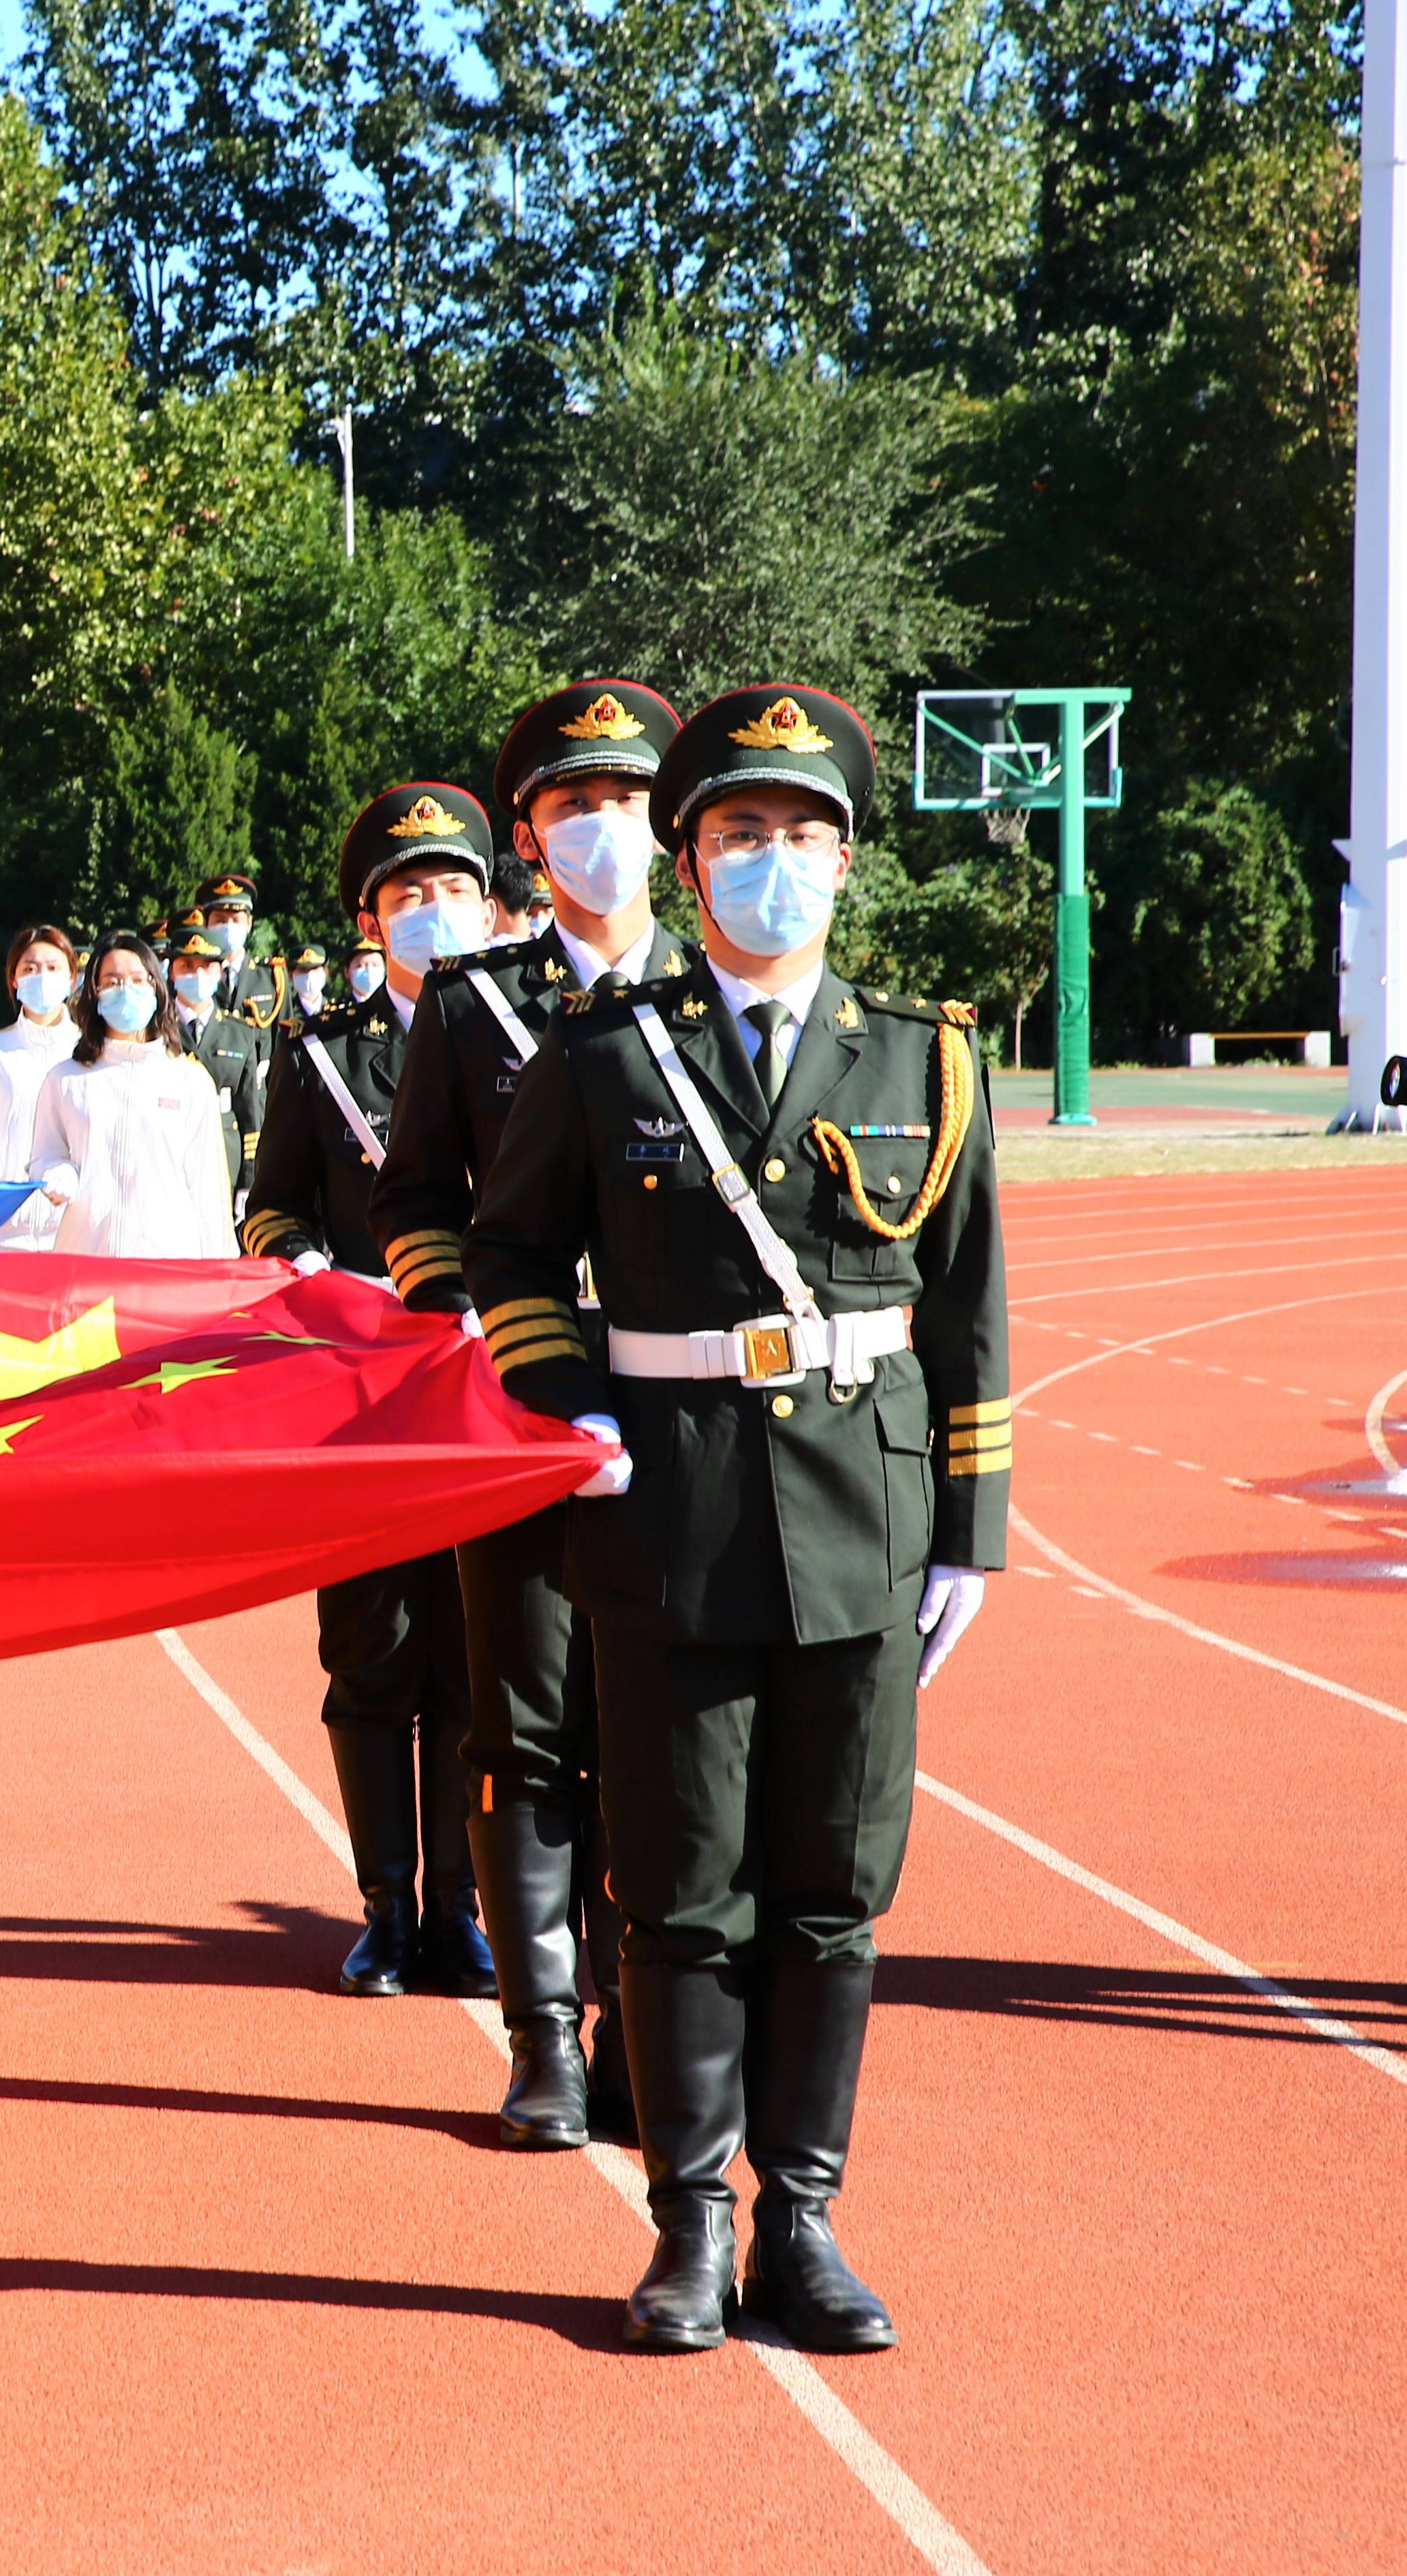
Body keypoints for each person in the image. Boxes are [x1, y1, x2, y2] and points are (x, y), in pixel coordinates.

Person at [465, 686, 1004, 2357]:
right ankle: (686, 2223)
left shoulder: (925, 1056)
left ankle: (803, 2217)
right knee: (683, 1885)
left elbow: (967, 1308)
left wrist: (967, 1531)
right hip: (670, 1519)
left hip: (861, 1519)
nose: (765, 864)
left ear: (843, 863)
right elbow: (503, 1256)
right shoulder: (610, 1050)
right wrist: (572, 1405)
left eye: (796, 835)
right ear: (684, 860)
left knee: (830, 1891)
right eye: (732, 835)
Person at [370, 680, 696, 2151]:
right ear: (531, 837)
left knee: (660, 1737)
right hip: (521, 1417)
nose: (604, 832)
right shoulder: (470, 1006)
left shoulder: (724, 991)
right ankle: (542, 2042)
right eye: (576, 808)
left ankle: (640, 2026)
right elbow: (419, 1206)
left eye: (627, 804)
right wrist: (507, 1342)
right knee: (526, 1732)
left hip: (692, 1424)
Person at [241, 784, 499, 2004]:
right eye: (407, 895)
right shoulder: (324, 1056)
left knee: (475, 1660)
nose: (429, 912)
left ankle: (462, 1909)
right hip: (360, 1398)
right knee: (371, 1653)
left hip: (491, 1391)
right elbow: (274, 1197)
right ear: (370, 917)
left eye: (451, 889)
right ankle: (385, 1910)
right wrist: (290, 1256)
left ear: (491, 904)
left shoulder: (538, 1039)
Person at [21, 931, 234, 1255]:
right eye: (112, 981)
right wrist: (57, 1173)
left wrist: (220, 1270)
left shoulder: (189, 1081)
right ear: (94, 992)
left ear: (157, 988)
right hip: (86, 1258)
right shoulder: (65, 1080)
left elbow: (209, 1193)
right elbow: (44, 1156)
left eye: (138, 980)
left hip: (167, 1264)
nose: (126, 991)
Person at [0, 925, 83, 1251]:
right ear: (13, 979)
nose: (42, 976)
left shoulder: (89, 1053)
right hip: (0, 1232)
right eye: (30, 968)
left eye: (53, 968)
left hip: (71, 1232)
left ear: (71, 978)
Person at [160, 910, 271, 1197]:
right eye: (186, 966)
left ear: (220, 972)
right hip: (164, 1155)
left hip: (224, 1158)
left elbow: (251, 1112)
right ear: (172, 971)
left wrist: (249, 1181)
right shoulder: (156, 1030)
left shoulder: (241, 1033)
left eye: (207, 967)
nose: (196, 974)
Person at [201, 872, 290, 1025]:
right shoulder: (196, 977)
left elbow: (285, 1038)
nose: (228, 926)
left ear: (249, 923)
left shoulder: (271, 977)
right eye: (220, 921)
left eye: (236, 920)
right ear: (206, 925)